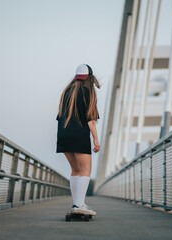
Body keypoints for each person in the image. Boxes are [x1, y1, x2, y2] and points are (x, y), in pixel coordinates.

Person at [56, 64, 100, 216]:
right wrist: (96, 140)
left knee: (75, 170)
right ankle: (79, 205)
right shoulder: (87, 92)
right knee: (86, 170)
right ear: (89, 77)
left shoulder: (66, 92)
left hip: (63, 135)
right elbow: (91, 120)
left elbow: (59, 117)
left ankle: (77, 204)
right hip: (79, 135)